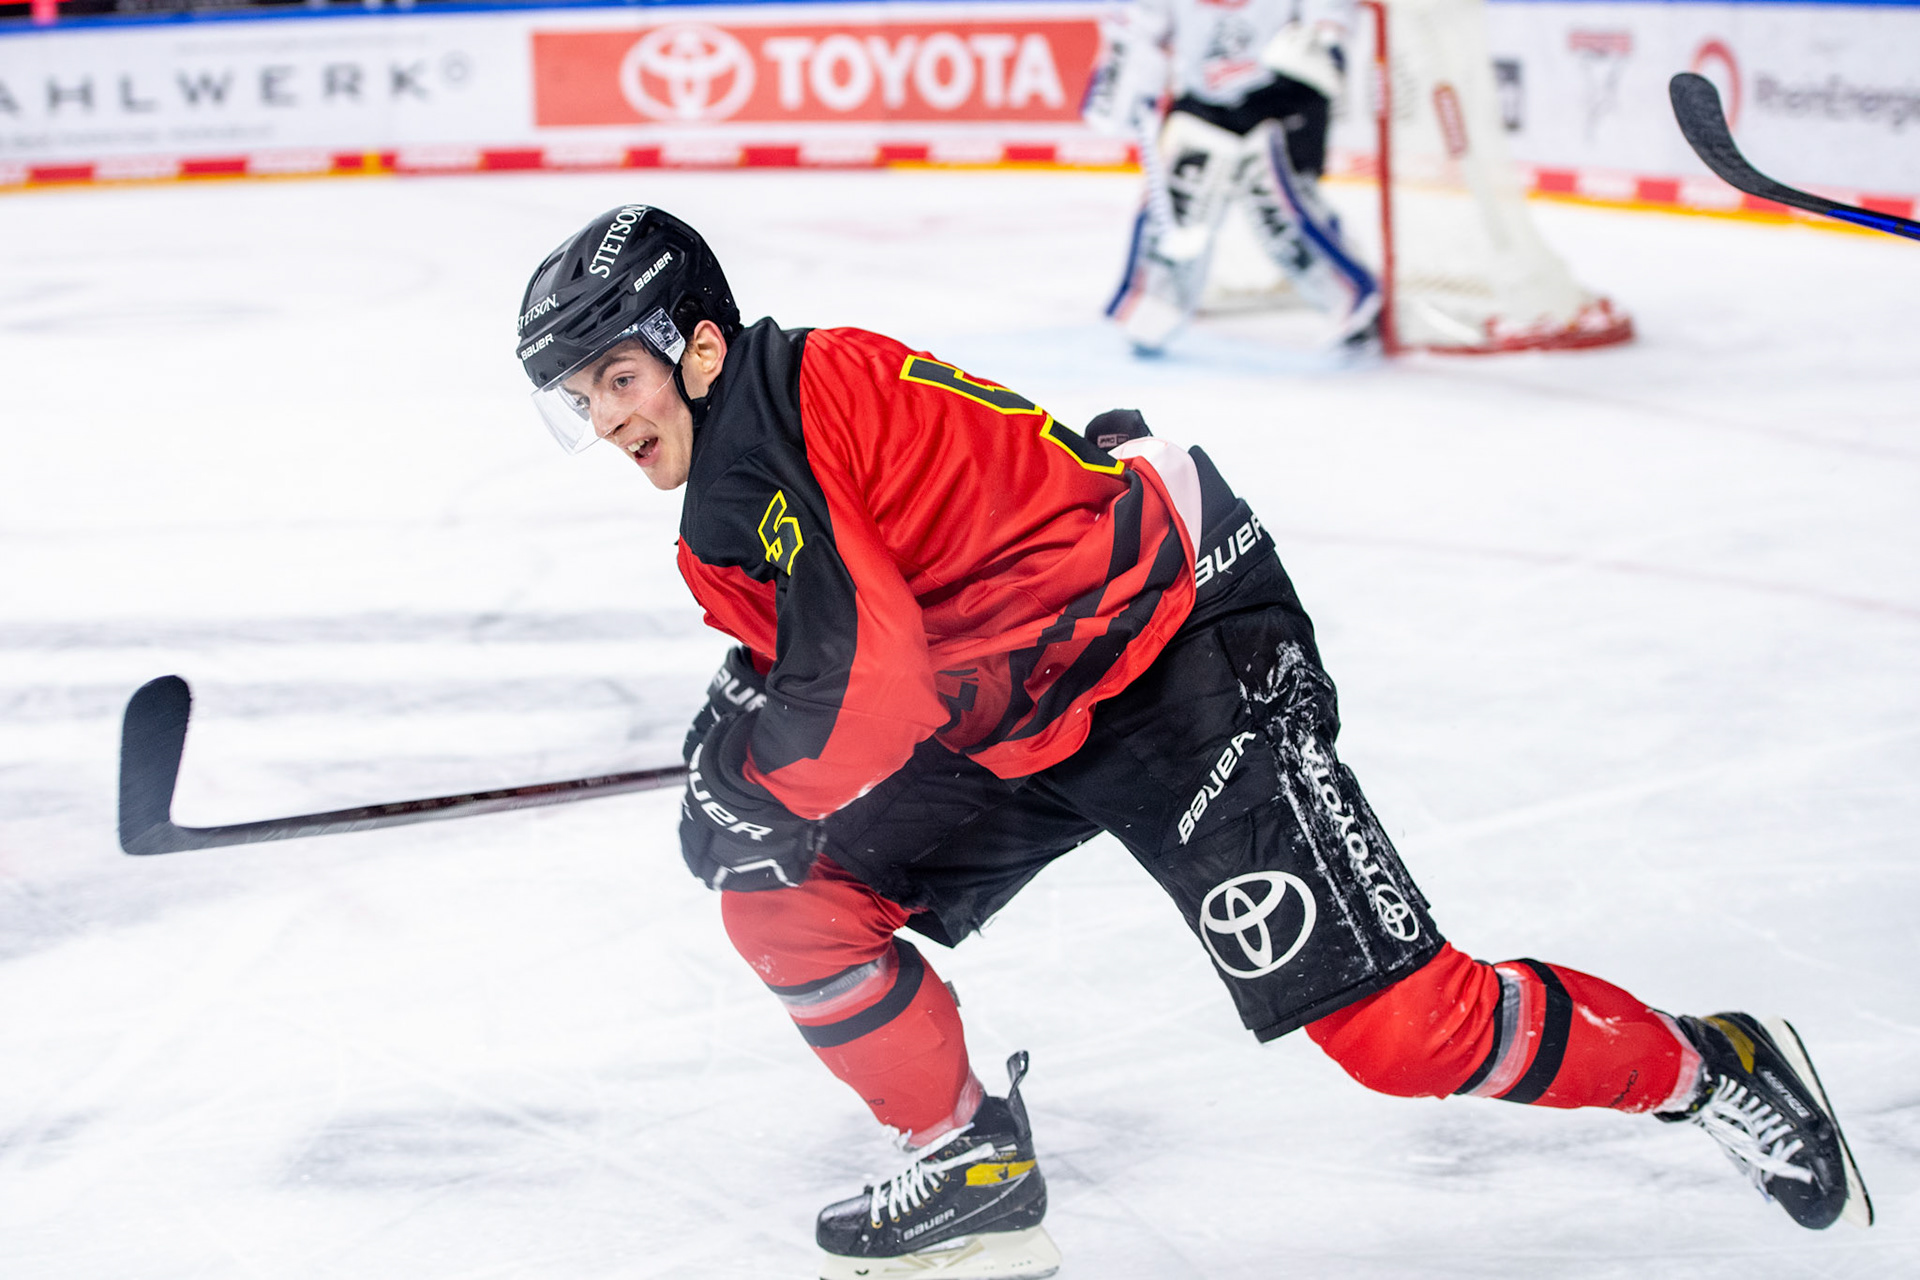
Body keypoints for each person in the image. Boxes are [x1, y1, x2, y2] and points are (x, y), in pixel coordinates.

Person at [515, 205, 1872, 1279]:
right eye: (584, 397)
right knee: (789, 894)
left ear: (696, 345)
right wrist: (746, 726)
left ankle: (1715, 1068)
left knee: (1401, 1030)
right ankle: (969, 1158)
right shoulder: (759, 433)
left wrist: (755, 775)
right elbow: (828, 640)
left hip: (1177, 656)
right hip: (1026, 700)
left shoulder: (763, 450)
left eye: (619, 377)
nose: (610, 419)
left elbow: (865, 689)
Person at [1082, 0, 1381, 353]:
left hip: (1285, 94)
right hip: (1204, 97)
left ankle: (1352, 299)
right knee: (1180, 194)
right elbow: (1139, 24)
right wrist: (1122, 76)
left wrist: (1325, 40)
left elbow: (1328, 16)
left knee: (1277, 204)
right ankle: (1156, 300)